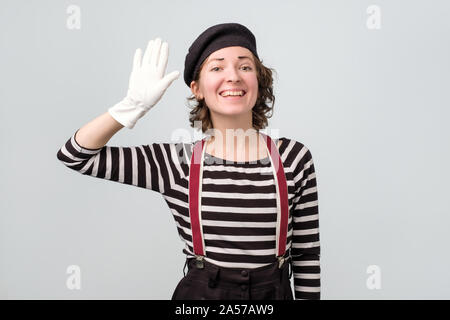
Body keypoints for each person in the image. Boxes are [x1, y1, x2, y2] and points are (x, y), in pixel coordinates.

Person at [56, 22, 320, 300]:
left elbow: (306, 254)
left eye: (245, 66)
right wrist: (130, 107)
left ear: (258, 80)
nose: (233, 76)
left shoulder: (293, 158)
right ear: (198, 89)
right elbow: (75, 155)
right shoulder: (177, 162)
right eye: (217, 68)